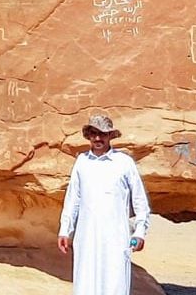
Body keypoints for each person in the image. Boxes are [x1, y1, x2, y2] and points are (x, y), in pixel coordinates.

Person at [57, 114, 151, 295]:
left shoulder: (124, 163)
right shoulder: (82, 162)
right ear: (89, 136)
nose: (98, 138)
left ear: (110, 136)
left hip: (116, 239)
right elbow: (73, 200)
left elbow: (139, 201)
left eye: (103, 134)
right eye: (94, 134)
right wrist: (65, 230)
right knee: (85, 285)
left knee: (115, 285)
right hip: (86, 238)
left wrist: (140, 232)